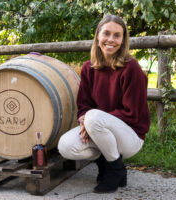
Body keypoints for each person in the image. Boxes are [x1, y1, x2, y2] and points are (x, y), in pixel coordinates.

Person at [58, 14, 150, 193]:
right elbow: (84, 105)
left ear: (123, 40)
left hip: (131, 136)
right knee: (66, 146)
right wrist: (86, 122)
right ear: (98, 36)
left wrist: (92, 121)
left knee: (93, 117)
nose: (111, 40)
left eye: (117, 35)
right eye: (106, 33)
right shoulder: (88, 68)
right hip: (102, 130)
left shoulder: (131, 68)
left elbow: (133, 113)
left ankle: (114, 170)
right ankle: (108, 165)